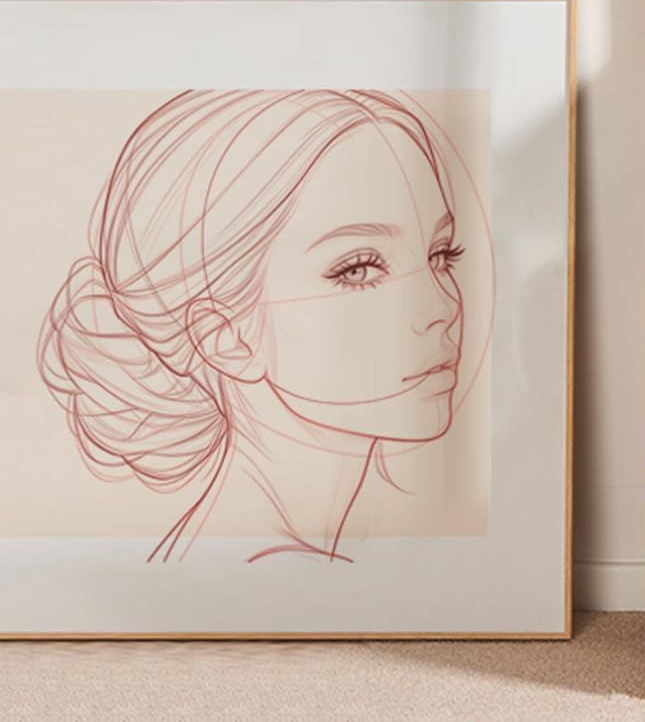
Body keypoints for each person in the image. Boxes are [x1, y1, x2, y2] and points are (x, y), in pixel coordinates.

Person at [38, 89, 468, 563]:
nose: (443, 307)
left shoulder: (318, 551)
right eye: (359, 269)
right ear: (224, 337)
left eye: (440, 255)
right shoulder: (266, 570)